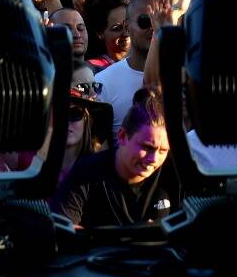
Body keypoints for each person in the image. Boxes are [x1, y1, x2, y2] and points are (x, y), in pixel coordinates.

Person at [54, 89, 175, 228]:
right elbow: (63, 229)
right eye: (147, 147)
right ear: (122, 136)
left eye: (163, 150)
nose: (154, 159)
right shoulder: (87, 172)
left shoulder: (172, 174)